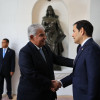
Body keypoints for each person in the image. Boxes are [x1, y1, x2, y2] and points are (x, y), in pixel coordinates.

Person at [17, 24, 73, 100]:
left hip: (48, 93)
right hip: (32, 95)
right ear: (31, 37)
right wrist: (50, 83)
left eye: (45, 34)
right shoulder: (25, 52)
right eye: (41, 35)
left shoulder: (45, 47)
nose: (45, 37)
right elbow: (30, 74)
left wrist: (76, 62)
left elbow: (57, 59)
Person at [51, 20, 100, 100]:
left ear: (82, 31)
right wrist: (60, 82)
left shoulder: (92, 49)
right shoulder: (81, 48)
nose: (72, 35)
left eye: (74, 31)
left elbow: (94, 79)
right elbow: (78, 73)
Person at [42, 5, 66, 70]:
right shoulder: (44, 19)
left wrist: (62, 35)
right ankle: (48, 63)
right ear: (47, 11)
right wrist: (47, 28)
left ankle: (55, 64)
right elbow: (42, 28)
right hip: (47, 35)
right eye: (49, 10)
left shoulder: (56, 19)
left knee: (55, 48)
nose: (50, 11)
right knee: (46, 49)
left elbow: (59, 28)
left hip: (54, 35)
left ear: (52, 11)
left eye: (51, 10)